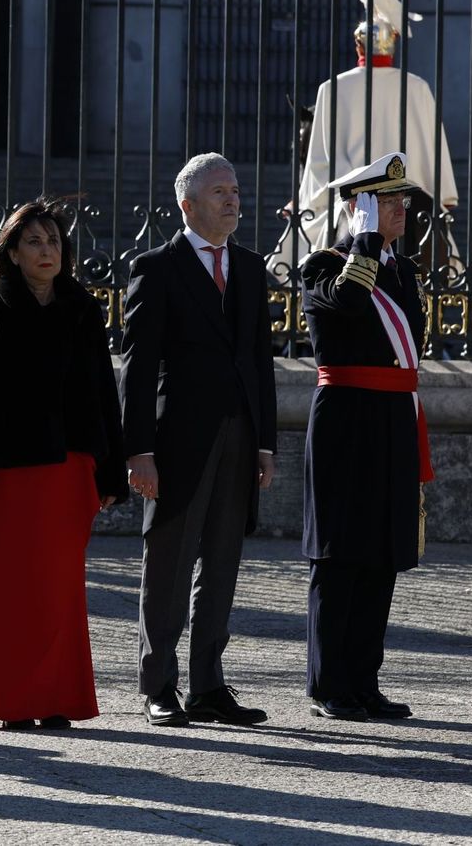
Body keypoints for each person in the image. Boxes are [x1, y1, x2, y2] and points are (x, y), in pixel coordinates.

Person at [0, 200, 125, 729]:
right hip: (7, 468)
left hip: (70, 466)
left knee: (59, 589)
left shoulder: (83, 309)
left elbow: (102, 392)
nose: (47, 251)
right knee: (6, 585)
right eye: (35, 242)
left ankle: (55, 697)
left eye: (54, 242)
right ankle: (10, 702)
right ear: (14, 253)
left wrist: (110, 470)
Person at [121, 153, 277, 728]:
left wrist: (265, 443)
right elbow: (138, 367)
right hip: (177, 442)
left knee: (222, 562)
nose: (232, 200)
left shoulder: (250, 267)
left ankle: (209, 685)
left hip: (239, 437)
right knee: (169, 562)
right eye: (219, 192)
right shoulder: (157, 267)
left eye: (235, 190)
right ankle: (159, 684)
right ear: (187, 205)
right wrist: (138, 450)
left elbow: (259, 362)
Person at [300, 152, 428, 721]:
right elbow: (349, 303)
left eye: (402, 200)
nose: (401, 209)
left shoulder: (403, 270)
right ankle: (330, 684)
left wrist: (378, 249)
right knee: (341, 553)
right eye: (387, 201)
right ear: (359, 208)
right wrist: (365, 242)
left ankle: (364, 682)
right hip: (346, 420)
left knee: (382, 551)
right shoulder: (321, 266)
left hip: (394, 416)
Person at [268, 0, 459, 283]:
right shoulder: (417, 87)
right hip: (409, 199)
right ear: (393, 43)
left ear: (358, 46)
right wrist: (444, 196)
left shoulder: (332, 88)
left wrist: (306, 200)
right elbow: (433, 149)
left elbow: (319, 161)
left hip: (353, 201)